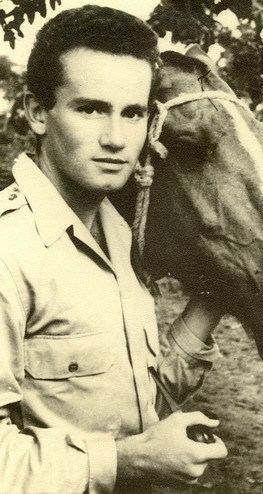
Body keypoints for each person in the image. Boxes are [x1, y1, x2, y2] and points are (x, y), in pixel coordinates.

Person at [0, 5, 227, 493]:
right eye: (90, 108)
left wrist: (210, 305)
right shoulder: (8, 251)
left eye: (133, 113)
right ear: (37, 112)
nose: (115, 139)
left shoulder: (121, 235)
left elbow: (137, 396)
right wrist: (126, 462)